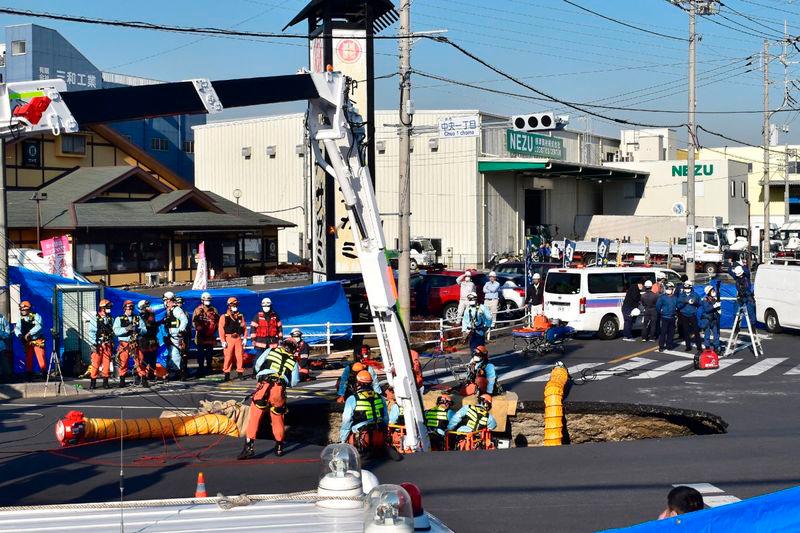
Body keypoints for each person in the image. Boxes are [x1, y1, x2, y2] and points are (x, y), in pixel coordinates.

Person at [238, 337, 300, 459]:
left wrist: (260, 375)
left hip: (264, 386)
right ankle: (279, 448)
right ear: (294, 349)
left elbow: (258, 364)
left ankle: (249, 447)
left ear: (283, 344)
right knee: (278, 419)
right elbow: (294, 381)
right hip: (279, 389)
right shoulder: (294, 361)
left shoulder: (271, 351)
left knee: (255, 417)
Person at [339, 370, 388, 451]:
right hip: (379, 434)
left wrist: (343, 440)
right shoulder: (380, 397)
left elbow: (347, 420)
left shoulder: (353, 399)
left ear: (358, 383)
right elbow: (385, 417)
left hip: (363, 437)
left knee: (349, 430)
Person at [113, 300, 147, 388]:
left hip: (135, 343)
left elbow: (144, 330)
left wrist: (139, 330)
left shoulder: (138, 318)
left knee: (139, 361)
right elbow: (116, 331)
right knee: (123, 362)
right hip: (124, 344)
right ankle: (122, 379)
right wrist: (126, 329)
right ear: (124, 308)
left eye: (131, 308)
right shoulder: (119, 319)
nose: (130, 310)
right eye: (128, 308)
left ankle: (143, 378)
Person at [14, 301, 46, 382]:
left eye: (24, 309)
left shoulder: (36, 316)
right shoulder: (20, 318)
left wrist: (29, 333)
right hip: (28, 342)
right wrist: (20, 335)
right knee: (28, 358)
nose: (23, 311)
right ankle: (29, 375)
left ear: (29, 309)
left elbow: (39, 326)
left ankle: (45, 374)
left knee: (40, 357)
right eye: (21, 310)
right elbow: (17, 328)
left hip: (37, 340)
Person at [88, 299, 115, 390]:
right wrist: (93, 344)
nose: (109, 309)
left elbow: (113, 331)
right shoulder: (94, 318)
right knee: (96, 363)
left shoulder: (111, 318)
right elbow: (91, 332)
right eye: (107, 308)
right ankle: (93, 381)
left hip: (107, 344)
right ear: (102, 308)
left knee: (107, 364)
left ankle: (105, 382)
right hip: (98, 344)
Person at [219, 296, 247, 381]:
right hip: (228, 338)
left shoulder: (240, 316)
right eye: (233, 305)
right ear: (229, 306)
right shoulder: (224, 316)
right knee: (228, 357)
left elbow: (244, 328)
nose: (235, 306)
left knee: (239, 356)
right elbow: (221, 329)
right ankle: (227, 374)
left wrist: (245, 338)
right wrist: (223, 341)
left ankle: (240, 373)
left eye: (236, 304)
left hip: (238, 338)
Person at [162, 291, 189, 380]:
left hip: (176, 336)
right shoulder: (168, 311)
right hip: (171, 336)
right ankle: (176, 371)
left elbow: (184, 320)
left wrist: (180, 331)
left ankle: (178, 372)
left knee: (175, 354)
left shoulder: (176, 310)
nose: (165, 302)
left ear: (169, 300)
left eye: (166, 300)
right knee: (171, 354)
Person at [192, 292, 219, 377]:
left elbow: (218, 322)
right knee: (200, 354)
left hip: (210, 335)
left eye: (209, 300)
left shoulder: (214, 310)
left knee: (209, 353)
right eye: (206, 300)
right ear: (202, 300)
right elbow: (194, 322)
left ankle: (209, 368)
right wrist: (199, 327)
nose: (208, 301)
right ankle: (200, 369)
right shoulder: (197, 310)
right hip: (200, 336)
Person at [676, 281, 702, 353]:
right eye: (685, 288)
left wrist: (695, 303)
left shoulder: (695, 295)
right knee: (686, 331)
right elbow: (678, 306)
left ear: (691, 288)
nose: (687, 289)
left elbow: (700, 304)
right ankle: (688, 346)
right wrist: (685, 302)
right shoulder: (681, 295)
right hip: (684, 315)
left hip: (693, 315)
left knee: (696, 331)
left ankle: (699, 346)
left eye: (688, 288)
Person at [137, 300, 159, 382]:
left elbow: (154, 325)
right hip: (144, 340)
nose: (148, 307)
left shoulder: (151, 315)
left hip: (152, 339)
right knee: (144, 359)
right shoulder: (142, 316)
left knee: (153, 358)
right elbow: (147, 325)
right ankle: (142, 375)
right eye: (146, 306)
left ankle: (151, 375)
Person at [730, 263, 756, 328]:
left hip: (748, 296)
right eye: (739, 275)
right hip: (740, 296)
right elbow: (730, 271)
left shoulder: (746, 276)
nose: (740, 276)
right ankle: (736, 325)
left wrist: (742, 265)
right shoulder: (736, 277)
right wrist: (730, 264)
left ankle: (752, 325)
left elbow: (747, 271)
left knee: (751, 310)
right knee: (735, 310)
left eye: (741, 274)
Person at [655, 282, 678, 353]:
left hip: (672, 317)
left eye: (670, 288)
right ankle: (661, 347)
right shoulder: (662, 297)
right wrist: (661, 312)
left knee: (671, 333)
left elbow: (678, 306)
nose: (669, 290)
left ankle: (669, 346)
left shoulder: (675, 298)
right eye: (668, 288)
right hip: (665, 317)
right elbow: (658, 306)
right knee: (663, 333)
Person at [700, 285, 722, 352]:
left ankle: (716, 347)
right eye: (712, 291)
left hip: (714, 319)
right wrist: (714, 306)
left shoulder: (714, 299)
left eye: (714, 290)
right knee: (707, 335)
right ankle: (707, 348)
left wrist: (719, 310)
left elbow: (717, 308)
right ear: (708, 292)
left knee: (716, 334)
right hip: (707, 320)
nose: (714, 292)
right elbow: (707, 309)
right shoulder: (705, 300)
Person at [482, 271, 501, 339]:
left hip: (494, 300)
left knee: (493, 313)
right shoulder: (487, 283)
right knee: (485, 313)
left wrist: (488, 288)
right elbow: (484, 290)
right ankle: (486, 325)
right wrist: (488, 289)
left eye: (493, 277)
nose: (491, 278)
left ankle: (492, 325)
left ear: (495, 277)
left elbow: (493, 289)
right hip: (487, 300)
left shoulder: (497, 283)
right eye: (490, 277)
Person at [0, 311, 12, 383]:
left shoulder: (3, 318)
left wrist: (1, 335)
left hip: (1, 346)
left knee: (4, 363)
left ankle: (8, 379)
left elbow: (8, 332)